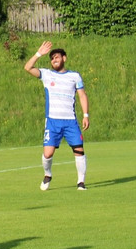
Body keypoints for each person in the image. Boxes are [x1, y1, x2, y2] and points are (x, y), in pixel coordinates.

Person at [24, 41, 89, 191]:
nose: (54, 60)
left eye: (57, 57)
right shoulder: (47, 75)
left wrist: (85, 115)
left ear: (64, 58)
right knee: (48, 153)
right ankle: (48, 174)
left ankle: (81, 182)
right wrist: (38, 54)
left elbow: (82, 95)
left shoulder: (74, 76)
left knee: (79, 150)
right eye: (52, 58)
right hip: (53, 121)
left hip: (70, 121)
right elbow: (27, 67)